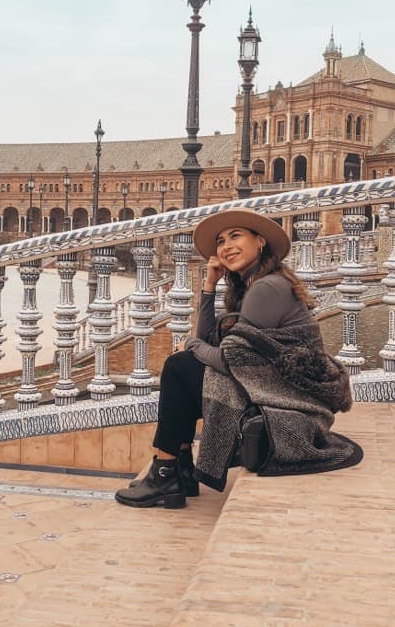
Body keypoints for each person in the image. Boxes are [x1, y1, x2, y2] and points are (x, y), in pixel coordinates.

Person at [115, 209, 363, 510]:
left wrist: (191, 346)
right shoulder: (251, 286)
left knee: (179, 366)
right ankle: (176, 470)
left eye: (236, 236)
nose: (225, 246)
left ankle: (167, 470)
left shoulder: (267, 287)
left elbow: (232, 360)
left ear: (260, 241)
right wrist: (209, 286)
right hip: (274, 389)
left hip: (290, 403)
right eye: (221, 241)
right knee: (185, 366)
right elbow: (211, 342)